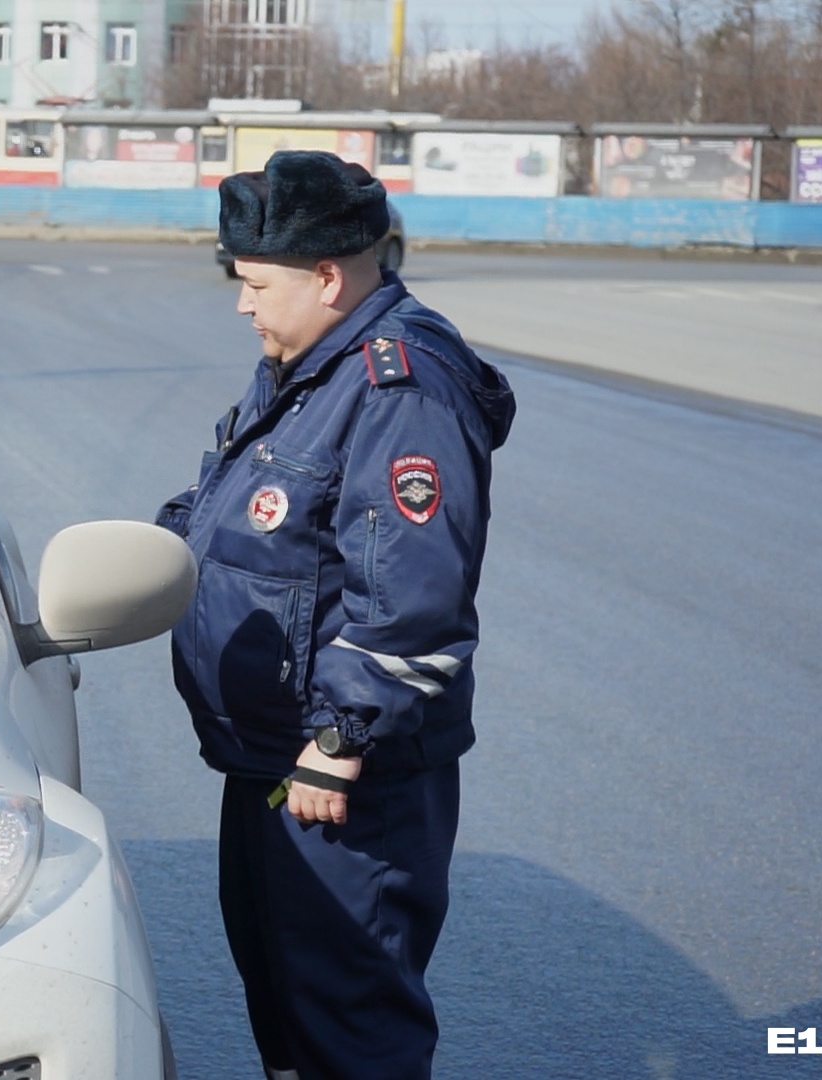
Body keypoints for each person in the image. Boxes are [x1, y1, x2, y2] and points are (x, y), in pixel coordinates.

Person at [155, 151, 515, 1080]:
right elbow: (228, 515)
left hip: (343, 778)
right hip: (275, 755)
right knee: (288, 1008)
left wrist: (340, 736)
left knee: (351, 1029)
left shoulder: (403, 388)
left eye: (255, 283)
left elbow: (414, 598)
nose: (243, 304)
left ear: (327, 276)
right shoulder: (306, 365)